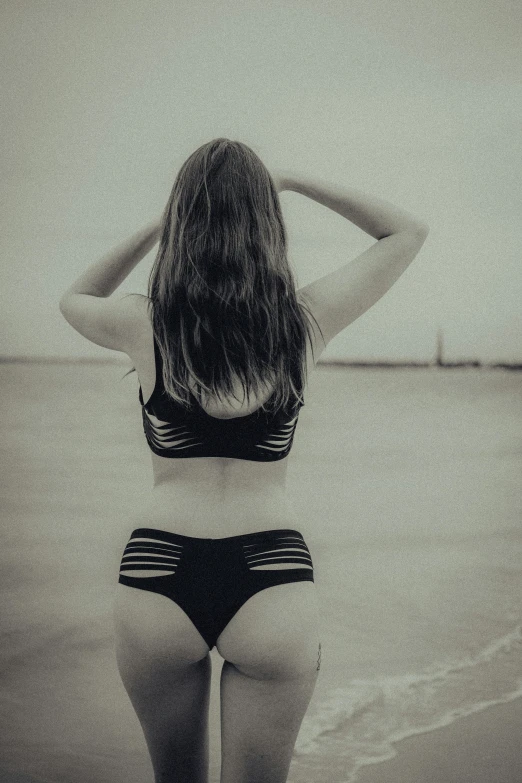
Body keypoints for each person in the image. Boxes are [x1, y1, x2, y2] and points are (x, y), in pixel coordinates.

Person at [59, 138, 428, 783]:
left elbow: (75, 297)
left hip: (157, 572)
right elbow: (405, 231)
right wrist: (296, 181)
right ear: (268, 225)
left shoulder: (144, 325)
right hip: (271, 577)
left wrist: (163, 223)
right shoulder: (303, 324)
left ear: (181, 223)